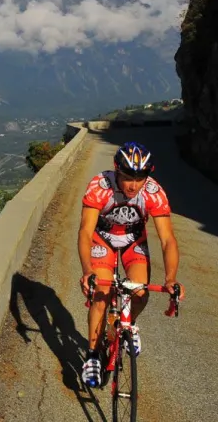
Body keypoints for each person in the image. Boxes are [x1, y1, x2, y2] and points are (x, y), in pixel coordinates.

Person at [77, 141, 186, 387]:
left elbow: (167, 239)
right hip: (101, 240)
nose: (133, 185)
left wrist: (170, 279)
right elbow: (85, 231)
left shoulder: (153, 192)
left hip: (132, 242)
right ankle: (92, 355)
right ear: (116, 171)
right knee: (102, 296)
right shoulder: (99, 186)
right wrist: (88, 271)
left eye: (140, 178)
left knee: (139, 291)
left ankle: (129, 326)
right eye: (127, 178)